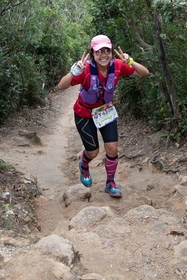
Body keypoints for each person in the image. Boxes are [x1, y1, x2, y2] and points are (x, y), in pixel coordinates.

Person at [58, 34, 149, 197]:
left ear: (111, 51)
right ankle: (84, 165)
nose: (103, 54)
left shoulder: (118, 66)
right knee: (93, 152)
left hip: (105, 111)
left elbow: (144, 73)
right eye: (99, 51)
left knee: (112, 149)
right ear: (92, 53)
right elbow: (61, 86)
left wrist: (130, 61)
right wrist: (73, 72)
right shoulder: (85, 70)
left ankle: (110, 183)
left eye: (107, 50)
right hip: (84, 113)